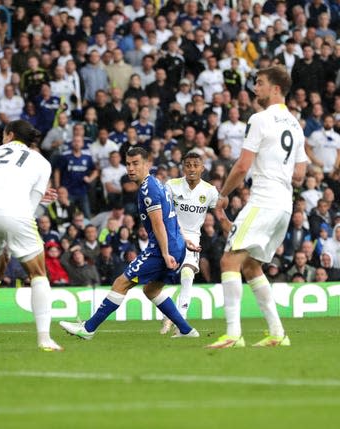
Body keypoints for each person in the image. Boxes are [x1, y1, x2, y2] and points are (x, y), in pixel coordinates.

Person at [208, 66, 308, 349]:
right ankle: (277, 334)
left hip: (264, 199)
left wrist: (223, 194)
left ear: (276, 88)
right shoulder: (295, 125)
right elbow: (300, 175)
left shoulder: (260, 119)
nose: (255, 89)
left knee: (229, 260)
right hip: (284, 206)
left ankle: (232, 334)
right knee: (251, 266)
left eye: (260, 83)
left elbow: (242, 166)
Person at [59, 147, 200, 340]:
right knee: (151, 289)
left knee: (121, 282)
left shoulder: (148, 189)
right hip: (176, 246)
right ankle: (187, 331)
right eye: (128, 164)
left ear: (147, 164)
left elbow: (159, 223)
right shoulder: (157, 183)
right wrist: (184, 241)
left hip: (162, 249)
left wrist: (166, 253)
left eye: (136, 164)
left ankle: (89, 329)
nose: (131, 168)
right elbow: (172, 217)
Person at [0, 119, 63, 352]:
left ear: (9, 135)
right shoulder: (41, 162)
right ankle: (44, 339)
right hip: (16, 213)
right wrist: (15, 232)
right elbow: (29, 205)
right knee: (38, 273)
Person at [160, 152, 219, 334]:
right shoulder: (171, 185)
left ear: (203, 168)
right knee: (156, 282)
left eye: (196, 165)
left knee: (187, 274)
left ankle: (180, 323)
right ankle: (170, 314)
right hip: (171, 235)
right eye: (188, 165)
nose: (192, 169)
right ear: (183, 168)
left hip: (193, 238)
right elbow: (163, 212)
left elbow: (220, 213)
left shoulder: (210, 191)